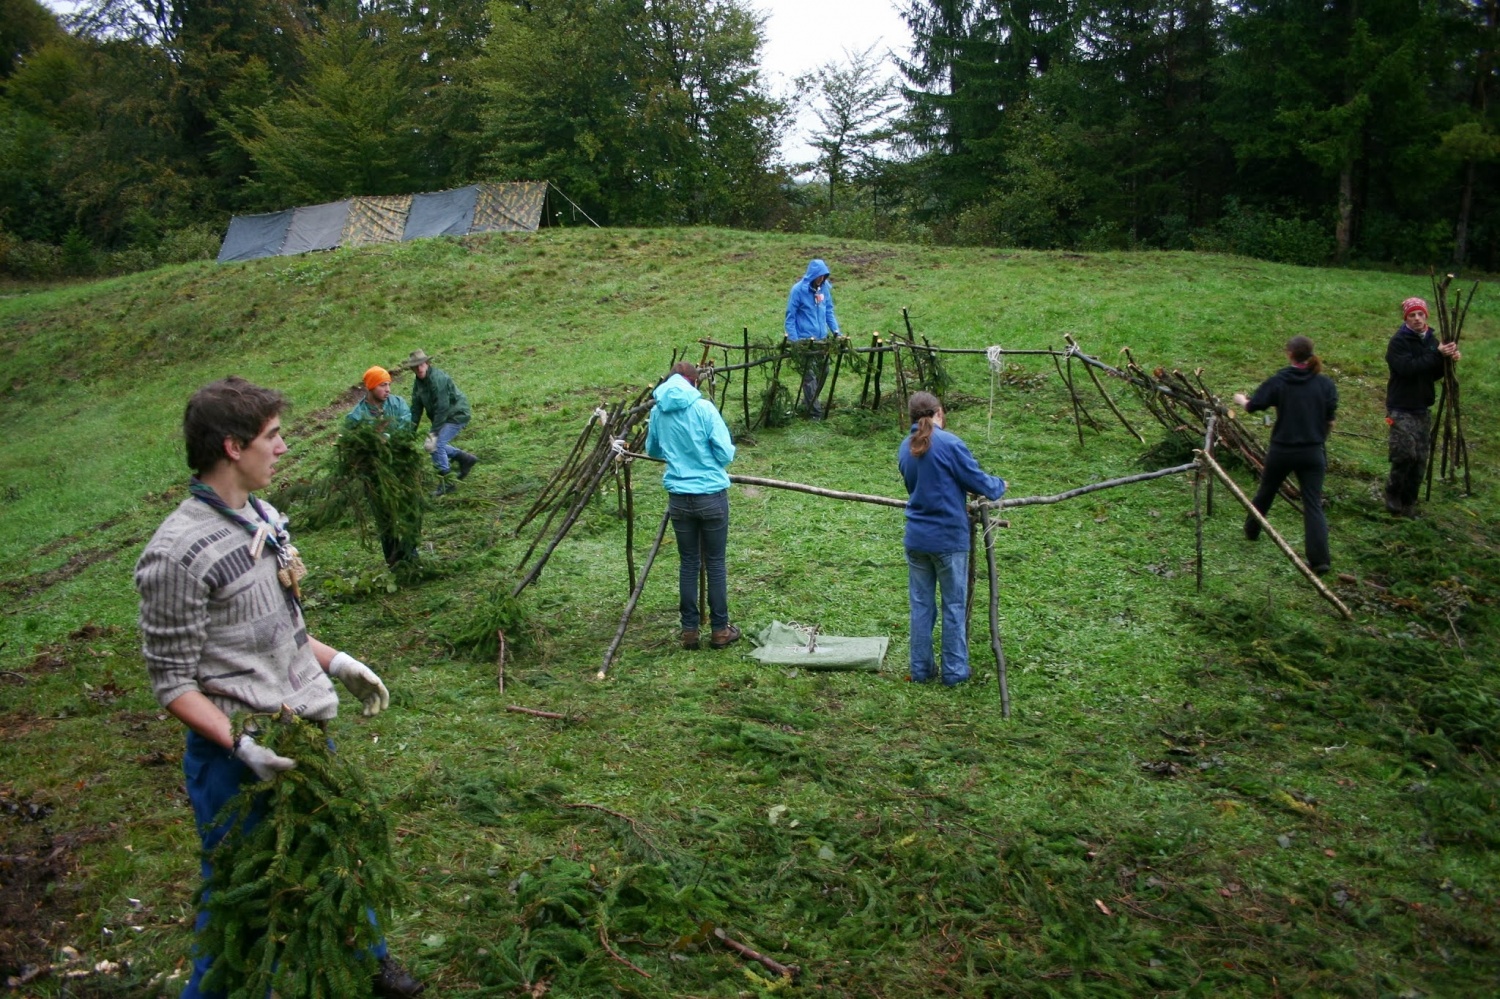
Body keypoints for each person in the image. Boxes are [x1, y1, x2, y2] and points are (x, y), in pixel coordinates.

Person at [134, 377, 423, 999]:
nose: (285, 448)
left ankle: (371, 963)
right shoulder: (177, 554)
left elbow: (273, 630)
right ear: (233, 447)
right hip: (238, 760)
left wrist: (336, 660)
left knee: (337, 851)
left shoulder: (259, 518)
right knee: (240, 897)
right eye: (274, 437)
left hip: (306, 733)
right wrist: (240, 744)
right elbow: (173, 683)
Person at [897, 392, 1006, 686]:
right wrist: (1000, 485)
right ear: (939, 413)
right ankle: (955, 673)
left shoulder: (904, 447)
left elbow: (916, 484)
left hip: (917, 538)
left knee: (921, 606)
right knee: (954, 606)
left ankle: (921, 670)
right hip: (947, 538)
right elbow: (979, 482)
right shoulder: (949, 443)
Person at [645, 362, 740, 651]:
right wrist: (707, 462)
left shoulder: (658, 411)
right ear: (691, 381)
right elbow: (725, 452)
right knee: (715, 563)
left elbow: (653, 450)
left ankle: (689, 631)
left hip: (679, 498)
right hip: (711, 495)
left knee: (688, 563)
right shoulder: (704, 409)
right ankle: (720, 630)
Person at [1232, 336, 1338, 575]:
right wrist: (1320, 439)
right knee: (1312, 503)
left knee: (1267, 490)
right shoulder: (1324, 385)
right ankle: (1320, 560)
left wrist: (1241, 400)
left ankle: (1252, 529)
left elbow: (1253, 406)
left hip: (1282, 450)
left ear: (1289, 353)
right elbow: (1330, 419)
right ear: (1311, 353)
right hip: (1312, 452)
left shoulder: (1280, 381)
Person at [1383, 296, 1461, 517]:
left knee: (1420, 459)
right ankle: (1392, 493)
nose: (1417, 319)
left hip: (1421, 407)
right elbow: (1408, 368)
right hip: (1399, 407)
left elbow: (1433, 372)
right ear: (1405, 318)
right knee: (1404, 453)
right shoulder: (1398, 342)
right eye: (1412, 315)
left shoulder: (1431, 340)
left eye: (1420, 314)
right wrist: (1437, 354)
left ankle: (1409, 502)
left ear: (1426, 316)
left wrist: (1449, 360)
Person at [406, 348, 477, 493]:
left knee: (435, 444)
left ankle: (447, 482)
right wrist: (409, 433)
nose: (419, 368)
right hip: (443, 417)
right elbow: (416, 409)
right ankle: (465, 459)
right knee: (432, 444)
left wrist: (434, 433)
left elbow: (442, 408)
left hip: (456, 415)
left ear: (427, 363)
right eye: (415, 366)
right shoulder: (418, 383)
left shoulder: (438, 380)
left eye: (421, 364)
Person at [784, 258, 842, 417]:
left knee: (823, 371)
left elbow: (829, 311)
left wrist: (837, 332)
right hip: (804, 341)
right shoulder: (798, 290)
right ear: (812, 275)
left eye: (824, 276)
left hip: (822, 340)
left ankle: (808, 402)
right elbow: (790, 316)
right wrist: (795, 342)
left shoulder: (824, 290)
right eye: (819, 276)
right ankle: (815, 414)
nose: (821, 279)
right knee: (809, 376)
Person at [345, 365, 414, 431]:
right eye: (383, 385)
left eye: (388, 385)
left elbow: (405, 430)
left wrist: (387, 437)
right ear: (371, 387)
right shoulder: (356, 416)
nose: (388, 390)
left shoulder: (399, 404)